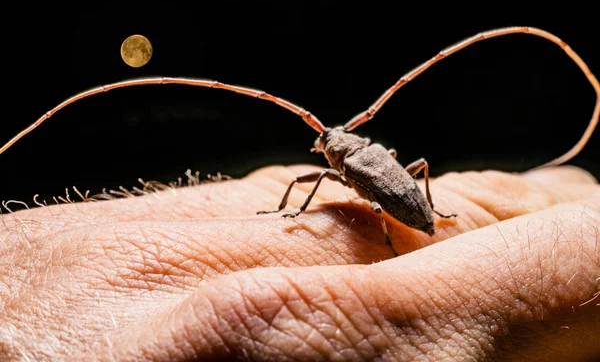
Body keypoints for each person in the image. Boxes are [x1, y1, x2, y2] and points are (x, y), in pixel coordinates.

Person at [1, 164, 599, 361]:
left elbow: (336, 184)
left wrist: (399, 233)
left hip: (403, 207)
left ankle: (411, 223)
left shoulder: (347, 168)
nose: (323, 152)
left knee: (319, 193)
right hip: (408, 201)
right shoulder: (360, 160)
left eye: (327, 147)